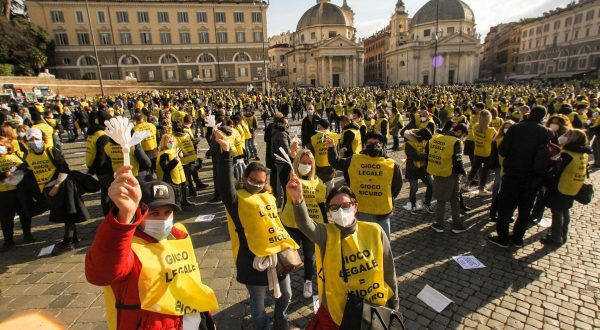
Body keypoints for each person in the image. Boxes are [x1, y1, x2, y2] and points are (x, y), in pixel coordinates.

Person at [85, 167, 219, 330]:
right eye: (154, 213)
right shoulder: (128, 248)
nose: (162, 220)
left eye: (168, 212)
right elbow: (100, 274)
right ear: (139, 214)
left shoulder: (179, 235)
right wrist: (123, 217)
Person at [214, 129, 298, 330]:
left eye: (262, 182)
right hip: (252, 258)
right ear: (245, 177)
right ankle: (262, 327)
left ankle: (281, 321)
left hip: (278, 255)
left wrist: (292, 160)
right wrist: (226, 153)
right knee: (258, 303)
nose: (258, 185)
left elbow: (287, 185)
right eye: (253, 180)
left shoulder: (269, 196)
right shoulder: (237, 199)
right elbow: (225, 186)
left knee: (286, 294)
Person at [285, 183, 399, 329]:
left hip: (372, 308)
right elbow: (306, 225)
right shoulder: (325, 234)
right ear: (330, 213)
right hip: (336, 310)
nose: (341, 211)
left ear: (355, 207)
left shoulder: (375, 231)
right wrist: (297, 199)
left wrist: (394, 302)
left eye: (346, 205)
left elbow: (389, 269)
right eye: (334, 208)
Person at [488, 106, 550, 248]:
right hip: (533, 177)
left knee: (506, 207)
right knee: (525, 210)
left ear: (529, 114)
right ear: (543, 117)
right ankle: (517, 238)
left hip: (513, 173)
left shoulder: (516, 128)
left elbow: (503, 150)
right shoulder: (546, 132)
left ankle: (503, 237)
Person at [327, 131, 403, 239]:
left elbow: (397, 187)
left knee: (382, 243)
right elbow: (336, 162)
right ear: (365, 145)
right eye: (369, 143)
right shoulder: (355, 160)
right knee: (361, 242)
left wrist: (384, 197)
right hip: (360, 211)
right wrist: (331, 148)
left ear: (382, 145)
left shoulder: (392, 165)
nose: (373, 145)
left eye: (376, 143)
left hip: (382, 213)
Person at [280, 149, 327, 299]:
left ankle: (308, 280)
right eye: (303, 162)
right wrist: (291, 155)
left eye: (309, 163)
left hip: (310, 224)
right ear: (297, 162)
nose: (306, 165)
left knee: (309, 255)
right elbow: (282, 172)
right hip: (290, 223)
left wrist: (325, 225)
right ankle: (281, 281)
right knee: (285, 255)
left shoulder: (318, 182)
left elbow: (321, 204)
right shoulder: (290, 177)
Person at [541, 129, 591, 246]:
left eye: (568, 135)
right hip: (574, 186)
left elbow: (556, 171)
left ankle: (556, 237)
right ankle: (563, 235)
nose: (565, 136)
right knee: (565, 210)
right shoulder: (583, 153)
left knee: (557, 211)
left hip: (562, 185)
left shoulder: (567, 154)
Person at [427, 124, 468, 233]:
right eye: (463, 135)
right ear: (459, 131)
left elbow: (428, 153)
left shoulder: (435, 137)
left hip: (438, 170)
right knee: (453, 200)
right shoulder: (455, 141)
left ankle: (440, 224)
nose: (462, 137)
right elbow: (458, 160)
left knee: (442, 199)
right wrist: (463, 172)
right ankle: (456, 224)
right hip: (450, 173)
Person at [0, 136, 34, 251]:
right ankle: (8, 240)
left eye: (1, 146)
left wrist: (18, 169)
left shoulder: (15, 157)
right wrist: (4, 175)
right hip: (3, 193)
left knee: (24, 213)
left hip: (18, 191)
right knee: (6, 218)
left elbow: (25, 167)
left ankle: (27, 234)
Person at [156, 134, 195, 211]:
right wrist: (176, 160)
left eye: (172, 140)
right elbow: (165, 168)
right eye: (169, 141)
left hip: (178, 177)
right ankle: (178, 209)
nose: (171, 142)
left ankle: (184, 203)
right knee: (175, 195)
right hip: (170, 179)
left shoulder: (173, 151)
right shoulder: (164, 154)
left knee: (181, 191)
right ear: (164, 142)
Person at [489, 120, 515, 221]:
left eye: (509, 127)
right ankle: (494, 205)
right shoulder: (497, 139)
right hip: (499, 166)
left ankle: (505, 210)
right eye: (505, 127)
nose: (506, 129)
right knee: (497, 185)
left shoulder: (516, 139)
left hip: (510, 168)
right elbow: (494, 154)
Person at [404, 128, 434, 214]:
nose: (427, 141)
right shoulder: (409, 143)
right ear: (421, 137)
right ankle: (412, 205)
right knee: (414, 188)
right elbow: (415, 157)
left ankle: (427, 203)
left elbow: (426, 153)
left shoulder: (426, 141)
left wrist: (425, 155)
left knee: (431, 185)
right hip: (412, 169)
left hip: (424, 168)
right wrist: (428, 155)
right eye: (426, 139)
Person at [466, 109, 497, 195]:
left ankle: (466, 185)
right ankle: (481, 189)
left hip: (477, 151)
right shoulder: (492, 130)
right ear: (489, 119)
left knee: (474, 169)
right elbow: (495, 140)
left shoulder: (475, 127)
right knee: (485, 171)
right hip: (487, 153)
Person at [271, 115, 299, 207]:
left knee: (280, 179)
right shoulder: (282, 133)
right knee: (282, 180)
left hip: (278, 158)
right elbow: (285, 149)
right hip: (283, 159)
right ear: (281, 123)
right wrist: (293, 152)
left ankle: (280, 199)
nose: (287, 125)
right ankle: (281, 199)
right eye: (286, 123)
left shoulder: (277, 131)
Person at [308, 119, 337, 193]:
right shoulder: (334, 136)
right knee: (330, 187)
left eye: (318, 125)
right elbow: (337, 151)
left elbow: (311, 153)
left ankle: (321, 202)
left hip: (318, 166)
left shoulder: (313, 138)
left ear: (320, 126)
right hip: (331, 165)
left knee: (318, 188)